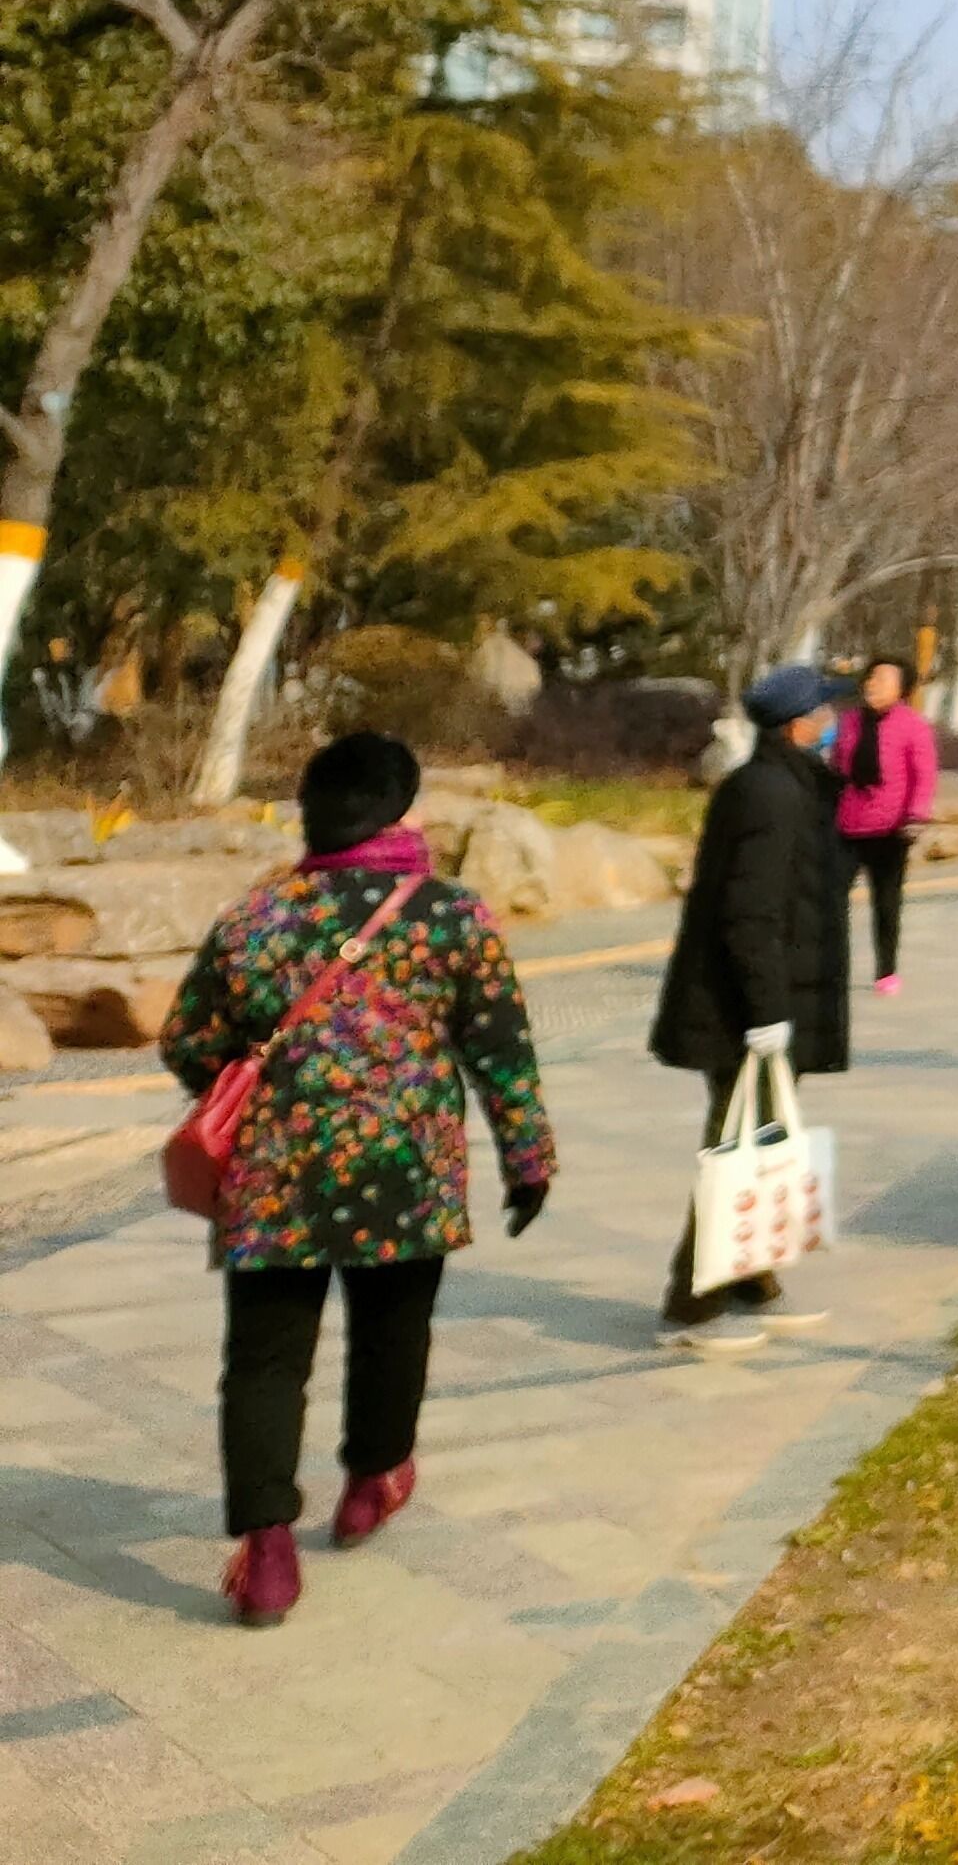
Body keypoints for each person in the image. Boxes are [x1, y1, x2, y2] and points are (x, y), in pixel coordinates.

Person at [165, 730, 555, 1627]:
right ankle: (369, 1482)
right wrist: (528, 1161)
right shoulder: (452, 916)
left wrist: (250, 1080)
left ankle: (267, 1555)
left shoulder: (255, 917)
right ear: (402, 811)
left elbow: (188, 1041)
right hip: (405, 1171)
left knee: (264, 1360)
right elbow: (501, 1050)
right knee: (393, 1332)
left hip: (272, 1173)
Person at [651, 665, 853, 1348]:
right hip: (741, 1006)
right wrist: (767, 1011)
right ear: (798, 724)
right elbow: (751, 912)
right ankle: (693, 1302)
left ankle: (752, 1280)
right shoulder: (771, 794)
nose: (832, 721)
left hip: (758, 999)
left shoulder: (780, 784)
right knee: (737, 1147)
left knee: (763, 1144)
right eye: (824, 712)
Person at [833, 653, 939, 994]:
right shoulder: (849, 721)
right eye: (872, 678)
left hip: (891, 828)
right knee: (832, 898)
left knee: (887, 902)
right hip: (848, 824)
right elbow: (837, 766)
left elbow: (924, 776)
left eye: (884, 680)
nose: (874, 685)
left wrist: (916, 815)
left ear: (902, 690)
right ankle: (830, 965)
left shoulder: (912, 725)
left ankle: (886, 970)